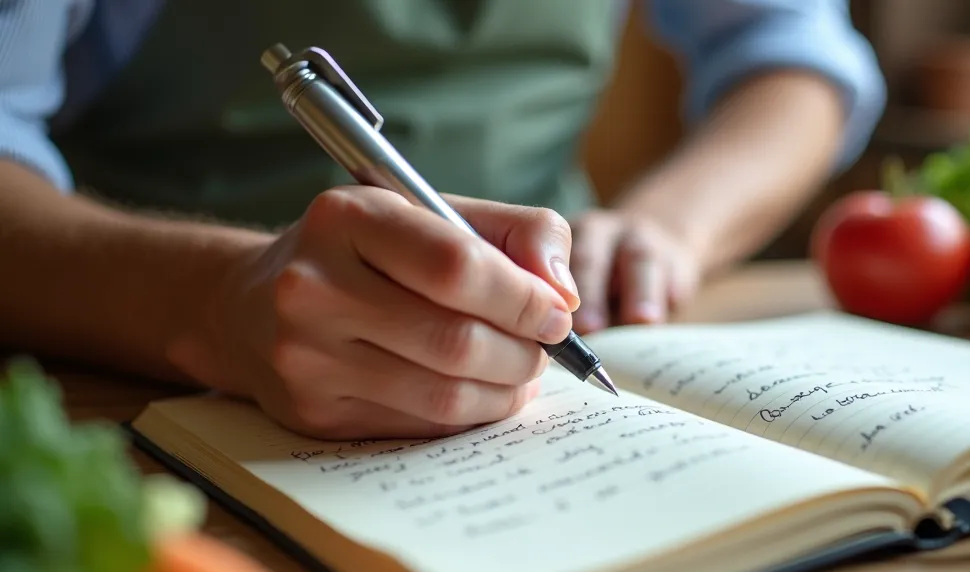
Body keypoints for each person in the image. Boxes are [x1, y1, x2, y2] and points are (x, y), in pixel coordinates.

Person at [0, 0, 884, 439]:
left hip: (565, 304)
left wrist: (671, 227)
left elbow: (793, 56)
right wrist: (216, 300)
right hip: (139, 387)